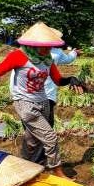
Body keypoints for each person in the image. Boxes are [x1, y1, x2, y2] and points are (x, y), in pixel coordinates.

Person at [0, 22, 83, 178]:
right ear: (33, 44)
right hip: (24, 102)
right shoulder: (18, 56)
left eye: (50, 46)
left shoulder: (47, 58)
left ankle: (25, 169)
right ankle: (57, 171)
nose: (48, 49)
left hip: (43, 101)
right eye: (44, 46)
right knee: (50, 137)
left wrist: (71, 79)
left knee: (32, 140)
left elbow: (57, 80)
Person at [9, 29, 80, 165]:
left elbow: (58, 78)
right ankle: (37, 163)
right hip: (42, 96)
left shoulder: (23, 53)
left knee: (34, 132)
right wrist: (74, 53)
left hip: (26, 95)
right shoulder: (56, 53)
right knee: (44, 132)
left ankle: (32, 163)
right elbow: (68, 59)